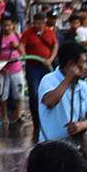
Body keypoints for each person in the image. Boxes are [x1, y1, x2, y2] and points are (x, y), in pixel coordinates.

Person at [36, 38, 87, 169]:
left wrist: (81, 125)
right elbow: (50, 102)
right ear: (70, 65)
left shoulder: (83, 85)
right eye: (83, 63)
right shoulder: (48, 80)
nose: (86, 67)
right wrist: (68, 79)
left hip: (75, 150)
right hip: (50, 149)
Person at [22, 10, 59, 146]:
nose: (38, 25)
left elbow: (55, 45)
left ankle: (50, 120)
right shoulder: (28, 33)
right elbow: (22, 44)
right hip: (32, 67)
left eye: (41, 23)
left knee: (50, 92)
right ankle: (37, 123)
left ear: (44, 23)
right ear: (33, 23)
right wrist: (23, 54)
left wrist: (51, 58)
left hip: (46, 66)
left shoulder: (49, 32)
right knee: (34, 94)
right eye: (36, 23)